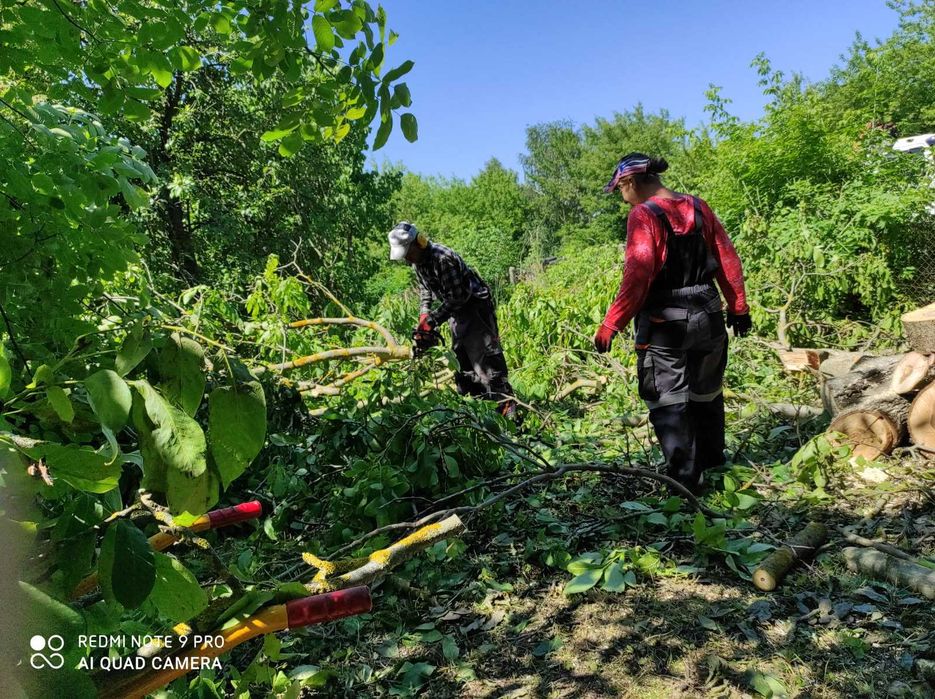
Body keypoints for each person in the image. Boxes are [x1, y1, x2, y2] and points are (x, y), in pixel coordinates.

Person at [593, 153, 751, 493]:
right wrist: (739, 307)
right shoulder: (698, 207)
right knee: (706, 394)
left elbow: (638, 274)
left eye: (621, 189)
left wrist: (611, 323)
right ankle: (714, 465)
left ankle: (686, 485)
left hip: (665, 321)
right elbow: (727, 257)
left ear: (631, 182)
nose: (622, 198)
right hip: (708, 313)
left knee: (668, 401)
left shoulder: (643, 214)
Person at [388, 221, 517, 417]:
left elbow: (458, 297)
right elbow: (425, 291)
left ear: (418, 243)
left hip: (475, 310)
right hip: (456, 313)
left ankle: (507, 416)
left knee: (486, 366)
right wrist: (424, 315)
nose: (406, 258)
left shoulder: (442, 259)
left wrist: (433, 321)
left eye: (408, 252)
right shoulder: (418, 263)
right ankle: (475, 415)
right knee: (462, 365)